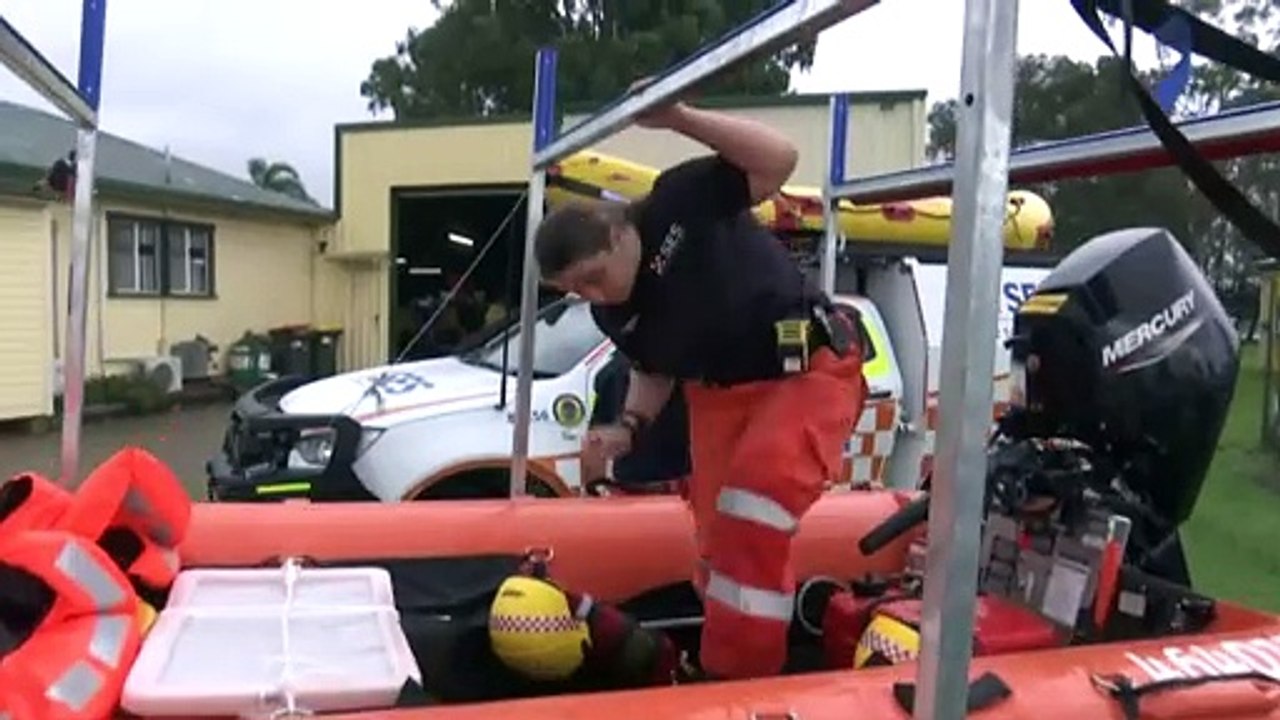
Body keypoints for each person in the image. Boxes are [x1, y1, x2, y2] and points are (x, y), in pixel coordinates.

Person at [532, 93, 868, 680]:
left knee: (754, 504)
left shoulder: (677, 203)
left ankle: (743, 680)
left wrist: (682, 119)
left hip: (803, 368)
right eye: (574, 291)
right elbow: (652, 370)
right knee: (716, 543)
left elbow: (778, 160)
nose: (591, 296)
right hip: (717, 393)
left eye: (592, 278)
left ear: (617, 237)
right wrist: (628, 429)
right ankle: (720, 667)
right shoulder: (616, 314)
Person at [584, 350, 691, 495]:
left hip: (638, 484)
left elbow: (596, 445)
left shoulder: (613, 369)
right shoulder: (618, 370)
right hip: (667, 486)